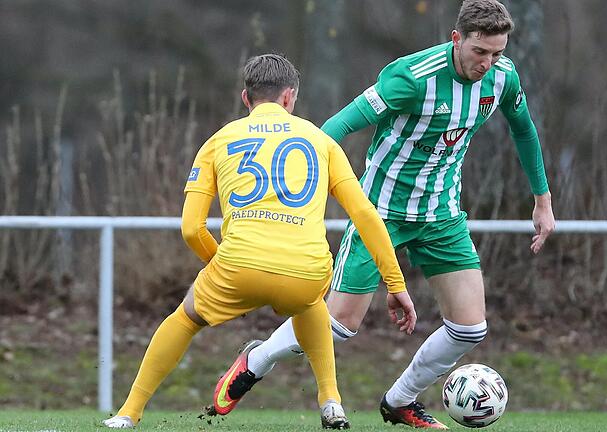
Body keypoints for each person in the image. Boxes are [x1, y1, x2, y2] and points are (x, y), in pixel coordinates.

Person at [218, 0, 556, 428]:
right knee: (340, 325)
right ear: (456, 39)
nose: (488, 63)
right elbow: (336, 128)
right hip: (380, 214)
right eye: (479, 53)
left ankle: (400, 401)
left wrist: (542, 199)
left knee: (470, 329)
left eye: (497, 53)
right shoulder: (411, 79)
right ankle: (257, 358)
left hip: (442, 215)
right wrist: (302, 182)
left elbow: (523, 129)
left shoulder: (502, 79)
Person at [102, 54, 417, 430]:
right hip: (306, 270)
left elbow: (191, 228)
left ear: (245, 98)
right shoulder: (321, 141)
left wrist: (222, 264)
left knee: (186, 318)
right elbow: (365, 215)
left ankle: (128, 413)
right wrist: (395, 284)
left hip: (238, 266)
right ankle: (331, 400)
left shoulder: (219, 140)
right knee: (309, 302)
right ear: (289, 97)